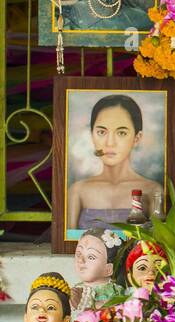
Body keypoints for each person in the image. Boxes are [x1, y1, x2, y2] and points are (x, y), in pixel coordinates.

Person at [68, 93, 161, 231]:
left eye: (121, 133)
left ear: (137, 137)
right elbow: (67, 244)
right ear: (91, 134)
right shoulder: (78, 191)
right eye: (101, 132)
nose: (110, 143)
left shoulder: (152, 190)